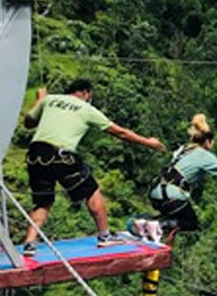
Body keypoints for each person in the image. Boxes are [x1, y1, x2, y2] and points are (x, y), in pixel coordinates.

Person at [22, 79, 166, 256]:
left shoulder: (49, 100)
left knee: (42, 202)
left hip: (35, 155)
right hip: (61, 155)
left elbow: (28, 123)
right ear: (85, 93)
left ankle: (29, 243)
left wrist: (40, 100)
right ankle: (104, 237)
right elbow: (120, 132)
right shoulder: (87, 109)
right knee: (92, 191)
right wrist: (149, 143)